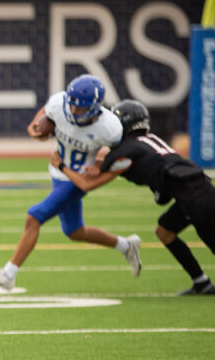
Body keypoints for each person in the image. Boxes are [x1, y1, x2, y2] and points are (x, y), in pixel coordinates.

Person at [0, 74, 142, 290]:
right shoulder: (58, 103)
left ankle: (9, 274)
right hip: (58, 175)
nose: (74, 112)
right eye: (72, 106)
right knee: (74, 231)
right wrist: (34, 128)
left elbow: (121, 156)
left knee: (34, 217)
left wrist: (100, 164)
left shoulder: (109, 128)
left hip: (77, 178)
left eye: (80, 109)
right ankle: (126, 245)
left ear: (95, 108)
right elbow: (42, 117)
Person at [51, 100, 215, 295]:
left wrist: (61, 166)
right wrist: (101, 166)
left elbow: (87, 184)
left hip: (196, 201)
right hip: (197, 191)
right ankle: (201, 282)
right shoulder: (148, 140)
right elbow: (133, 163)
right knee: (165, 231)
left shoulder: (124, 152)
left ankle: (202, 283)